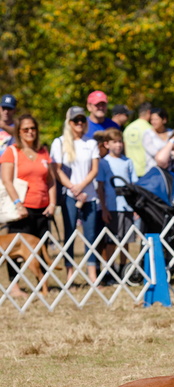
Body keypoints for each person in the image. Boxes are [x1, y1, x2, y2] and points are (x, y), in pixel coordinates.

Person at [0, 114, 56, 297]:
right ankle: (15, 288)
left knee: (40, 249)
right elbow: (7, 180)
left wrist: (53, 203)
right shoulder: (12, 151)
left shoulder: (43, 152)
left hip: (42, 209)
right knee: (13, 252)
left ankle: (43, 286)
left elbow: (51, 180)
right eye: (25, 129)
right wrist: (18, 204)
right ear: (19, 131)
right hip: (21, 210)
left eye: (33, 128)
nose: (30, 132)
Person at [50, 106, 100, 284]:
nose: (79, 123)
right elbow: (56, 170)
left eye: (82, 120)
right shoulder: (59, 142)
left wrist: (82, 186)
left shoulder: (91, 143)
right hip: (69, 195)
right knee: (69, 234)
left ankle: (92, 274)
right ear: (69, 123)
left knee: (91, 235)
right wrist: (73, 188)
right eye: (75, 120)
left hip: (89, 195)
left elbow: (94, 169)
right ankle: (69, 275)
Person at [97, 128, 138, 276]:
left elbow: (134, 185)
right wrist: (104, 208)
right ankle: (109, 269)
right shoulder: (104, 163)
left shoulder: (128, 162)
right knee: (111, 240)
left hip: (126, 206)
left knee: (125, 240)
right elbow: (100, 187)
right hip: (111, 206)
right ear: (107, 144)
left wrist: (135, 207)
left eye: (120, 142)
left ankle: (123, 268)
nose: (118, 145)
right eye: (114, 142)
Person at [123, 102, 152, 177]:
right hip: (146, 172)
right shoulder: (150, 129)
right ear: (149, 112)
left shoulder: (128, 128)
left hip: (129, 171)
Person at [142, 107, 172, 171]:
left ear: (164, 120)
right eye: (152, 119)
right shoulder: (148, 134)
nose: (153, 122)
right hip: (153, 171)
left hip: (169, 171)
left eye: (156, 119)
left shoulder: (171, 133)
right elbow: (157, 155)